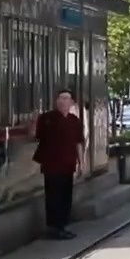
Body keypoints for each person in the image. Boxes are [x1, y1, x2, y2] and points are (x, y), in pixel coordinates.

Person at [33, 88, 86, 239]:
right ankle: (54, 227)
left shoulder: (74, 121)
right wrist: (33, 123)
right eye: (60, 98)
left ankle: (63, 225)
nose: (63, 101)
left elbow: (78, 143)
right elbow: (36, 136)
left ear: (72, 102)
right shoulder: (46, 118)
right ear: (56, 101)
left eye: (66, 98)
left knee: (66, 196)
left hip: (68, 164)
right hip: (51, 164)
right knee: (53, 196)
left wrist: (81, 163)